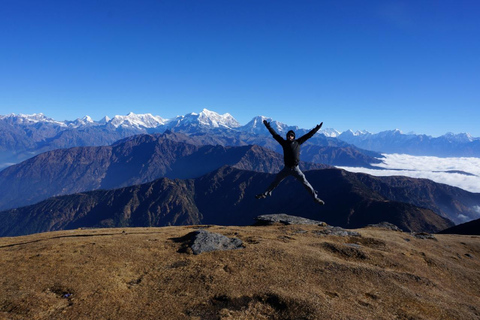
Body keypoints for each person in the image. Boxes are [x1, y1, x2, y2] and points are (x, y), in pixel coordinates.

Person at [256, 119, 325, 205]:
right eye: (288, 136)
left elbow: (309, 135)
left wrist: (317, 128)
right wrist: (268, 126)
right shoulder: (284, 143)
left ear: (293, 137)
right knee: (276, 180)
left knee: (305, 183)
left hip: (296, 169)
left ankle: (315, 198)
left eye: (291, 136)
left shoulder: (298, 142)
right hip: (287, 168)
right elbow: (275, 135)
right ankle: (265, 193)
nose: (289, 137)